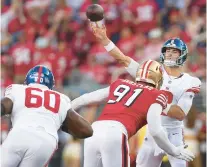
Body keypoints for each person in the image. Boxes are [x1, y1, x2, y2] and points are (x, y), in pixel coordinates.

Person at [90, 23, 201, 167]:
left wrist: (154, 101)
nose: (170, 54)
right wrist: (105, 40)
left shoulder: (189, 81)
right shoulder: (152, 73)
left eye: (174, 51)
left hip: (174, 135)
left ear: (182, 54)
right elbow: (123, 59)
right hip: (152, 134)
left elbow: (180, 113)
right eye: (168, 51)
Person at [71, 60, 195, 167]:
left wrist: (63, 113)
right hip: (116, 133)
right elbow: (155, 130)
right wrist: (173, 150)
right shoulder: (157, 95)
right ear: (158, 78)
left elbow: (85, 99)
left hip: (94, 130)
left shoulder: (120, 83)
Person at [0, 65, 93, 167]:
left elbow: (3, 107)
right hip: (46, 141)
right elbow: (86, 131)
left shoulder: (17, 89)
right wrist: (59, 123)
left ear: (27, 81)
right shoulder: (61, 98)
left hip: (20, 133)